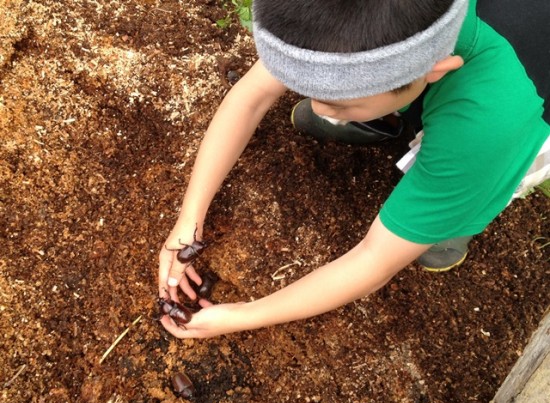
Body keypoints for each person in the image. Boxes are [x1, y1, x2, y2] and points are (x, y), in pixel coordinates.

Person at [159, 0, 550, 339]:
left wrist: (241, 315)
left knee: (472, 184)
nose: (317, 108)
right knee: (383, 102)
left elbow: (374, 260)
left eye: (341, 104)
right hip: (445, 69)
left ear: (433, 69)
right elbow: (251, 97)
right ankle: (383, 116)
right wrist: (187, 220)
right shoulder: (341, 22)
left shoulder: (488, 126)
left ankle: (448, 225)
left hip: (519, 116)